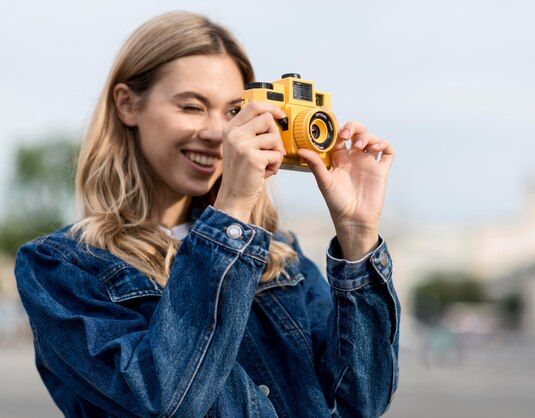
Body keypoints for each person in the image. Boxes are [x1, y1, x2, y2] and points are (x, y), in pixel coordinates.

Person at [15, 11, 399, 418]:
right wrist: (233, 210)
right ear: (128, 105)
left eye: (234, 111)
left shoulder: (279, 254)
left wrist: (358, 237)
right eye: (192, 107)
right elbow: (166, 400)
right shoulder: (59, 268)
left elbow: (359, 403)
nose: (219, 133)